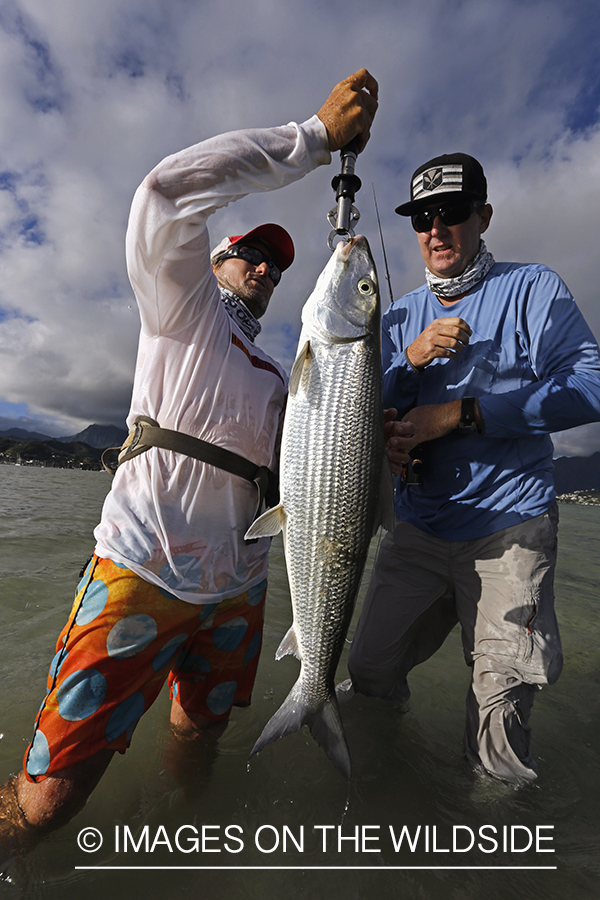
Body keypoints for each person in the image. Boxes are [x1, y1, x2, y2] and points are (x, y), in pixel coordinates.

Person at [0, 69, 378, 847]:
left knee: (196, 742)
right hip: (142, 567)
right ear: (213, 260)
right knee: (49, 796)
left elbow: (319, 470)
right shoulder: (182, 308)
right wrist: (312, 139)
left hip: (237, 592)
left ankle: (181, 855)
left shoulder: (286, 373)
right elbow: (168, 192)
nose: (266, 270)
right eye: (250, 255)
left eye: (276, 265)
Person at [345, 152, 600, 783]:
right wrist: (404, 371)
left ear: (482, 216)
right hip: (418, 527)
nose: (436, 228)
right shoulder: (397, 313)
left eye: (452, 212)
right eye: (422, 217)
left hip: (508, 530)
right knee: (369, 672)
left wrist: (461, 414)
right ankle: (383, 796)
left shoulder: (532, 288)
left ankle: (491, 859)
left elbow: (591, 384)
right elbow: (361, 410)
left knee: (498, 718)